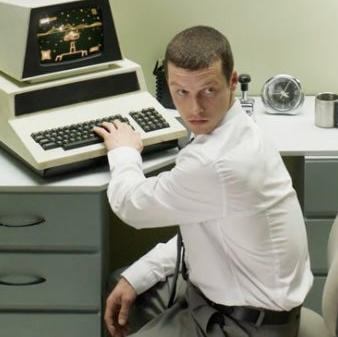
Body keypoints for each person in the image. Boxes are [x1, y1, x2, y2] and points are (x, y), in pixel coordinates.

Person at [93, 26, 310, 336]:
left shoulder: (216, 162)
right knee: (121, 279)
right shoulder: (242, 130)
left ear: (232, 81)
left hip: (241, 327)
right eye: (181, 92)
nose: (194, 108)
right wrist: (138, 276)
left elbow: (130, 206)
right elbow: (204, 231)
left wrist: (125, 152)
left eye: (208, 90)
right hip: (226, 297)